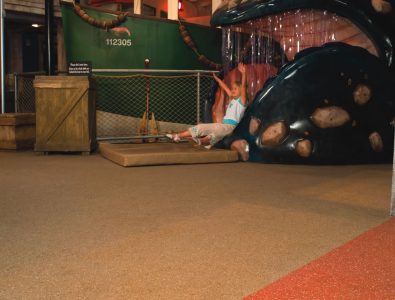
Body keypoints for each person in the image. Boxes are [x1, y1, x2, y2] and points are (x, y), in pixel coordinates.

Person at [166, 63, 247, 149]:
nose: (232, 90)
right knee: (207, 131)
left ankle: (189, 138)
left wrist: (243, 73)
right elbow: (224, 87)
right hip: (223, 125)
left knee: (208, 131)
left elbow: (244, 88)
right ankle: (188, 138)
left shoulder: (241, 102)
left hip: (231, 127)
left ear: (241, 91)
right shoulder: (232, 99)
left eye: (235, 89)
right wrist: (218, 80)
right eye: (232, 88)